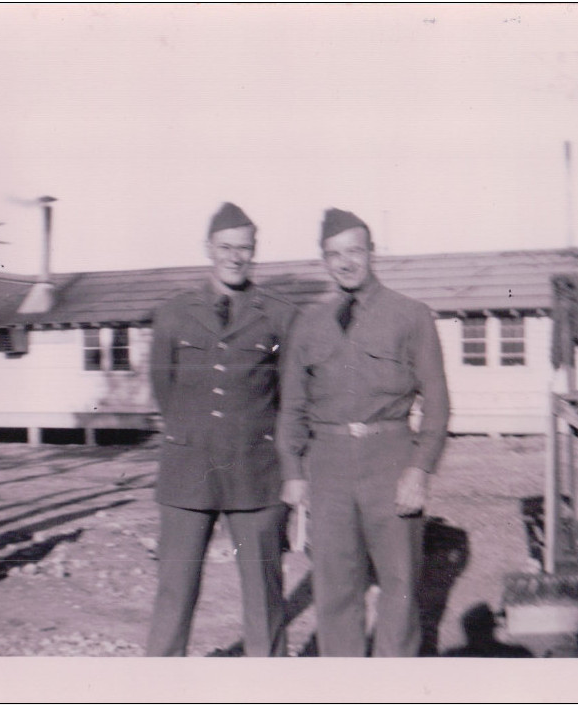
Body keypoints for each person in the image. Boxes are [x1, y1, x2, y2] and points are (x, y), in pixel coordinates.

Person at [277, 207, 450, 657]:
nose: (345, 262)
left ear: (372, 252)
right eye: (334, 254)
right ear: (324, 260)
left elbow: (437, 401)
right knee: (335, 588)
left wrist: (420, 469)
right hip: (328, 465)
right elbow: (292, 404)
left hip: (390, 456)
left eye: (354, 250)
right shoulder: (308, 324)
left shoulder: (410, 315)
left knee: (400, 584)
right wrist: (293, 470)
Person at [146, 202, 297, 657]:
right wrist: (197, 432)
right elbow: (163, 388)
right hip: (188, 468)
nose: (235, 256)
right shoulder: (173, 312)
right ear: (208, 249)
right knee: (174, 593)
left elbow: (289, 398)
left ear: (255, 252)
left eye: (244, 248)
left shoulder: (279, 315)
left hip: (257, 471)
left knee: (264, 598)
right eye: (226, 247)